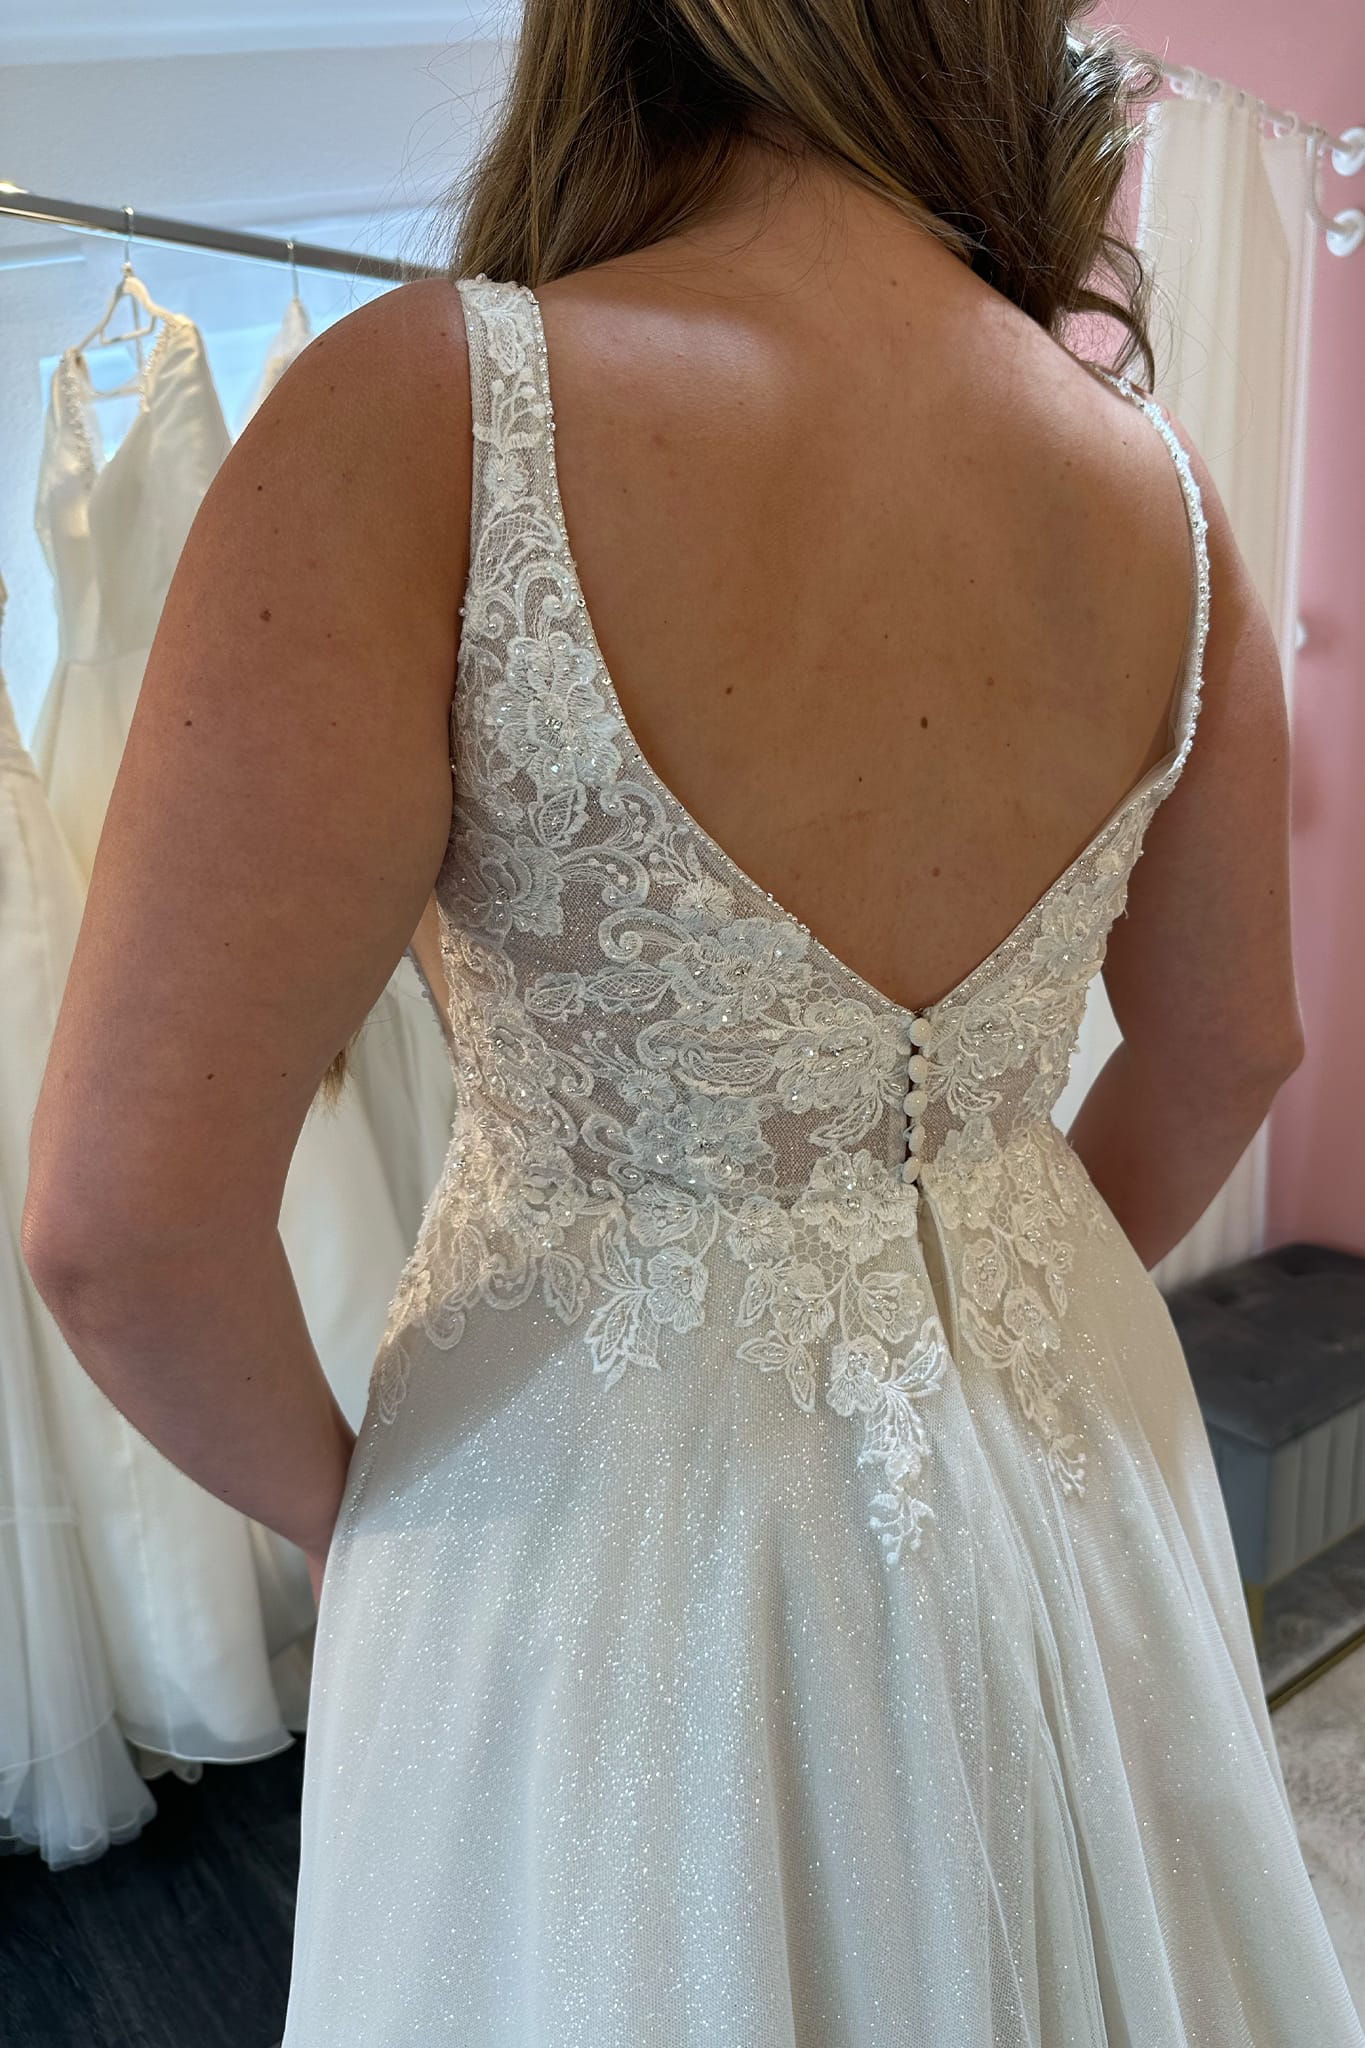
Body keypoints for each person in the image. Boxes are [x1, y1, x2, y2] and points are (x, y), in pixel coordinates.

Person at [24, 2, 1363, 2043]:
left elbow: (119, 1228)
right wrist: (997, 1287)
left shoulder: (430, 412)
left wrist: (352, 1522)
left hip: (597, 1509)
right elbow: (1229, 1049)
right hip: (1069, 1448)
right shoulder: (1161, 503)